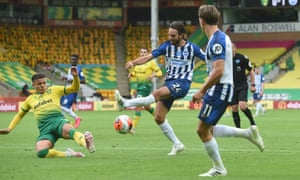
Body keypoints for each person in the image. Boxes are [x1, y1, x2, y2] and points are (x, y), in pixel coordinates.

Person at [193, 5, 264, 177]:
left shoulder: (217, 40)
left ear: (201, 21)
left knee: (202, 130)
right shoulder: (216, 38)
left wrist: (202, 90)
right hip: (219, 88)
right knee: (207, 129)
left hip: (220, 88)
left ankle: (219, 168)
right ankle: (247, 133)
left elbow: (218, 70)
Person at [116, 21, 205, 155]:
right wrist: (133, 62)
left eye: (173, 36)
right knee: (158, 117)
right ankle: (177, 144)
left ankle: (125, 103)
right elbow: (148, 57)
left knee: (157, 93)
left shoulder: (193, 48)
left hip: (183, 83)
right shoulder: (166, 46)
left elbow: (208, 59)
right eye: (169, 35)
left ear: (182, 35)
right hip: (169, 82)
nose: (170, 38)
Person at [0, 69, 95, 158]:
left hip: (58, 122)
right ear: (33, 85)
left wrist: (75, 77)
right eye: (39, 83)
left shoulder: (54, 90)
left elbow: (74, 88)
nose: (42, 85)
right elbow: (19, 115)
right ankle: (69, 154)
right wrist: (9, 129)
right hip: (45, 130)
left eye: (44, 83)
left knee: (69, 130)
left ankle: (85, 143)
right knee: (41, 152)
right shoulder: (30, 99)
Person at [128, 48, 163, 134]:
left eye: (144, 52)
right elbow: (136, 73)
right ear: (139, 54)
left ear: (147, 54)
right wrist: (131, 74)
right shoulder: (138, 64)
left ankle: (132, 128)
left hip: (146, 87)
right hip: (139, 87)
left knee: (138, 106)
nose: (143, 54)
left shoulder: (151, 62)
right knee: (147, 107)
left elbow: (160, 73)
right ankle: (161, 118)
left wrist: (153, 75)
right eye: (141, 52)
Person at [230, 43, 257, 128]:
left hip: (242, 85)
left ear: (235, 48)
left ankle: (252, 122)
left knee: (242, 106)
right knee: (234, 108)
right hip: (232, 87)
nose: (230, 49)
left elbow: (251, 71)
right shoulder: (225, 60)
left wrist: (253, 84)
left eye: (231, 47)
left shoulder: (242, 58)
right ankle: (238, 129)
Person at [61, 54, 85, 128]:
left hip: (73, 91)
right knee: (60, 105)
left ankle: (76, 118)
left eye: (74, 59)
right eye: (71, 59)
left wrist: (72, 80)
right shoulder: (69, 69)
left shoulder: (79, 69)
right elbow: (69, 80)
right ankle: (63, 122)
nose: (72, 60)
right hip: (67, 90)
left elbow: (83, 81)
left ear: (77, 60)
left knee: (64, 107)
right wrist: (66, 78)